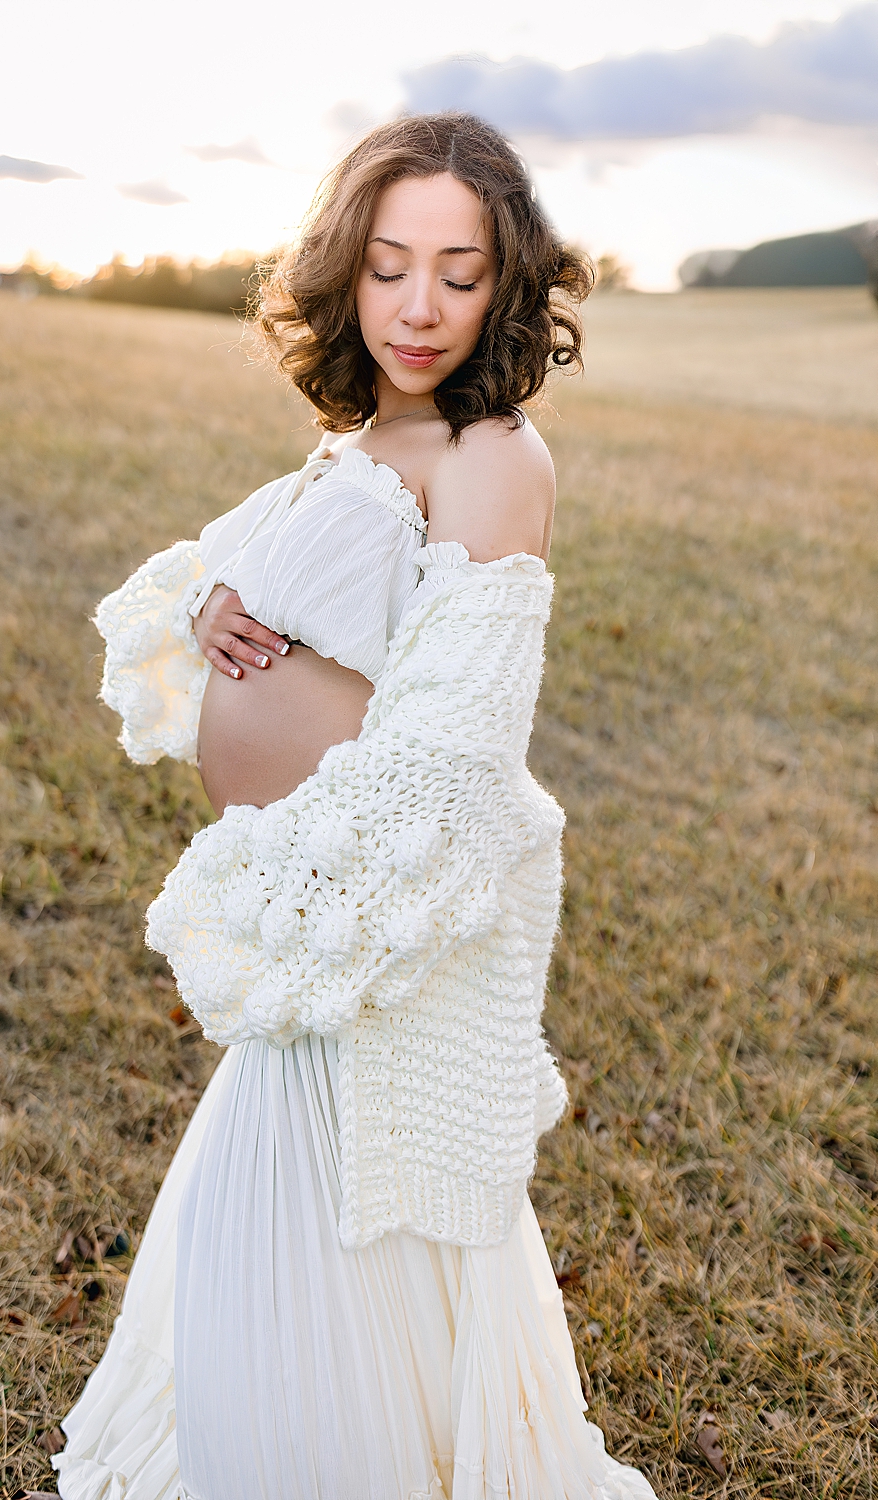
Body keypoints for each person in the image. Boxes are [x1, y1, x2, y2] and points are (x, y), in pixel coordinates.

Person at [56, 115, 658, 1499]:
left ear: (508, 287)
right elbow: (235, 573)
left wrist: (269, 891)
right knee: (255, 1278)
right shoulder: (365, 433)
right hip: (309, 957)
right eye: (391, 266)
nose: (421, 306)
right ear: (348, 270)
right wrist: (218, 600)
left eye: (459, 271)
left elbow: (447, 757)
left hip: (368, 956)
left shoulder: (494, 457)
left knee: (325, 1295)